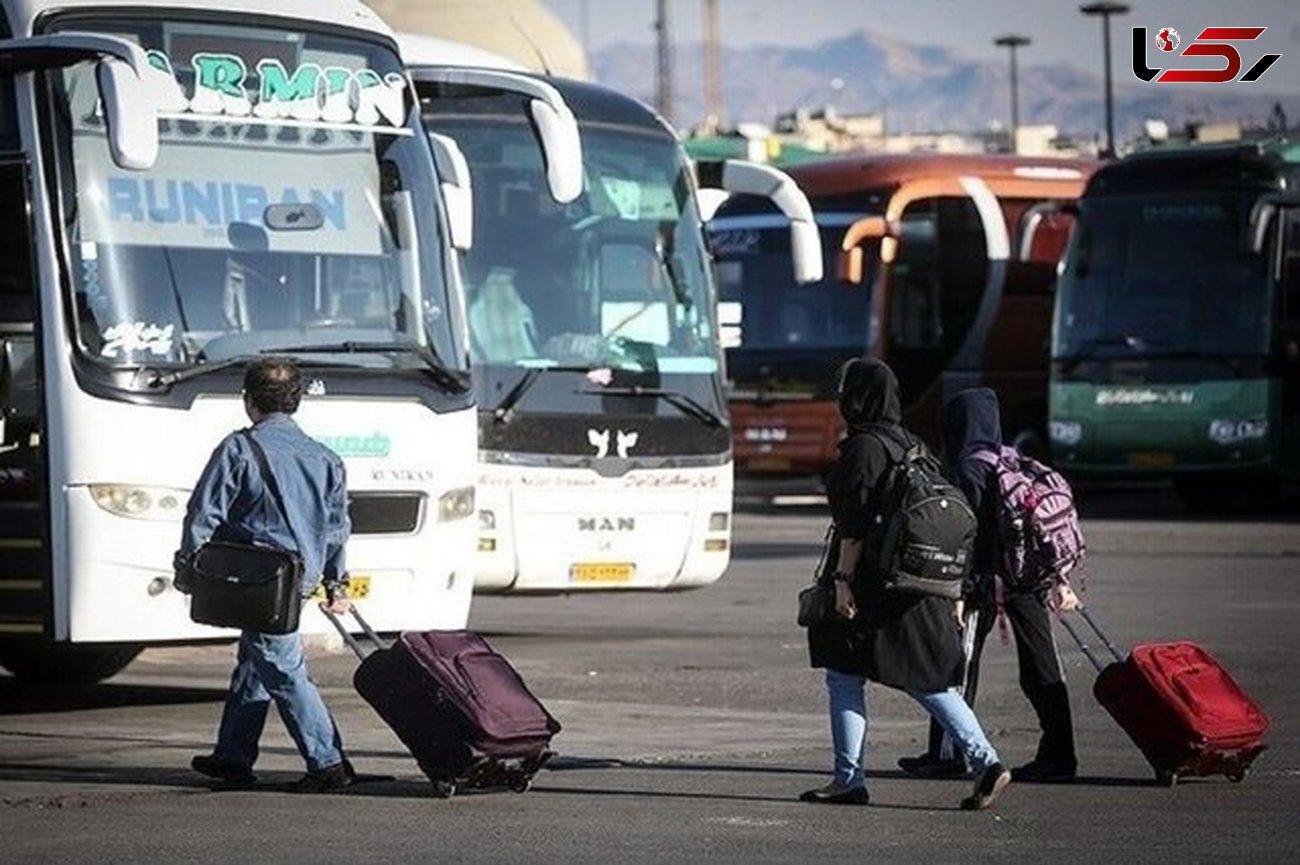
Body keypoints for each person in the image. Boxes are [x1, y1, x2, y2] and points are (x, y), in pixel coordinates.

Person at [802, 358, 1011, 810]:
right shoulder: (913, 444)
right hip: (918, 581)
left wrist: (841, 582)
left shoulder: (863, 448)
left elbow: (853, 525)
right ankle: (986, 761)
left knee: (844, 675)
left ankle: (849, 779)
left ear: (856, 397)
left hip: (871, 583)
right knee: (926, 678)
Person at [176, 357, 356, 793]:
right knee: (255, 662)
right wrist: (337, 583)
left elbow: (203, 514)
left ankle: (329, 763)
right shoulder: (326, 458)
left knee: (281, 666)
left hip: (256, 581)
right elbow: (336, 529)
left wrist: (187, 567)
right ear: (295, 401)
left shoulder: (238, 450)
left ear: (249, 401)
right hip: (299, 580)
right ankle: (232, 757)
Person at [898, 387, 1080, 783]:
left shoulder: (968, 467)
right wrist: (1059, 578)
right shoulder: (1009, 458)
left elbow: (969, 537)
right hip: (1028, 577)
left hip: (985, 583)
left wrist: (959, 593)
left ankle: (948, 754)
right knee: (1042, 666)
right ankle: (1060, 754)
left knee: (956, 666)